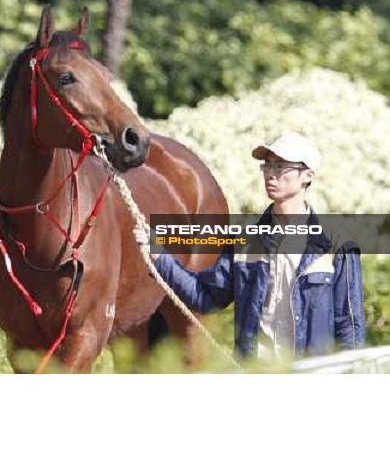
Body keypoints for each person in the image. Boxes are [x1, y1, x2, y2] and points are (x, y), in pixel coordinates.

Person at [135, 132, 366, 359]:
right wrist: (158, 256)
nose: (270, 175)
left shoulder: (337, 245)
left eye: (280, 166)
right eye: (267, 166)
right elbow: (205, 297)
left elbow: (350, 326)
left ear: (307, 175)